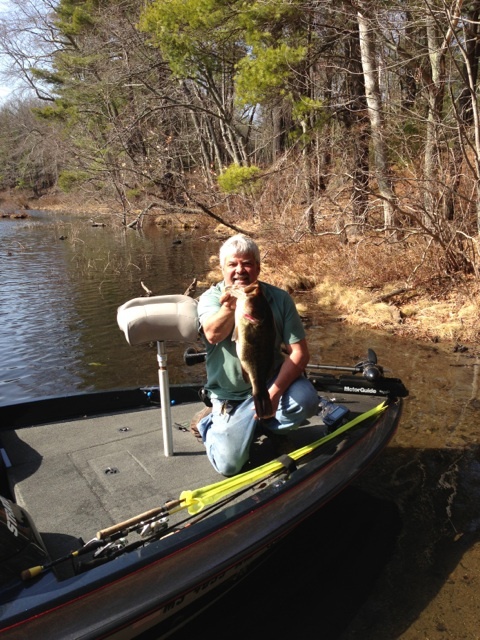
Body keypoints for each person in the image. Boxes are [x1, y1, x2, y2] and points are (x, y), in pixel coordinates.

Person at [195, 234, 319, 476]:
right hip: (230, 395)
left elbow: (300, 353)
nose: (240, 270)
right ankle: (207, 423)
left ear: (258, 268)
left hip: (267, 381)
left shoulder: (278, 298)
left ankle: (268, 424)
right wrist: (230, 306)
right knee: (229, 465)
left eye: (247, 263)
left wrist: (273, 393)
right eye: (232, 264)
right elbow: (212, 334)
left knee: (306, 400)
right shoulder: (211, 298)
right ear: (222, 268)